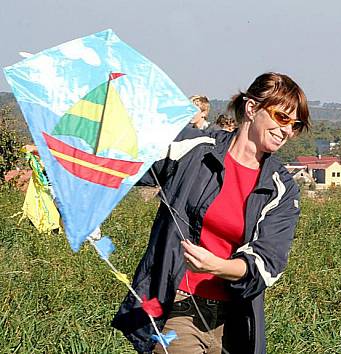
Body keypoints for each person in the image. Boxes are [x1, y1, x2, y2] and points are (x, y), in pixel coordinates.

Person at [111, 72, 311, 354]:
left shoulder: (281, 188)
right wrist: (59, 162)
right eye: (281, 118)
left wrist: (216, 266)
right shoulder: (194, 148)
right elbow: (125, 159)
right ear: (252, 109)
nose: (287, 130)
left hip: (236, 321)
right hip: (178, 307)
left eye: (295, 125)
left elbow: (267, 263)